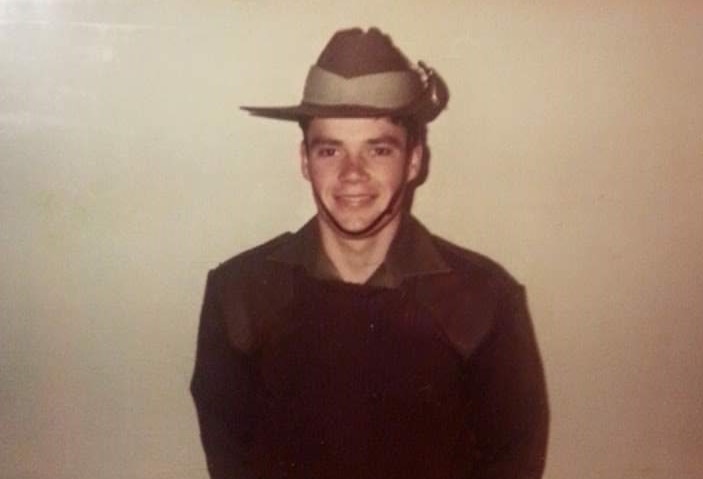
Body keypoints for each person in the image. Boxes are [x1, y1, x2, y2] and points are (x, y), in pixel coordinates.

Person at [190, 27, 549, 479]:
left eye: (378, 149)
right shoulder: (239, 297)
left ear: (414, 160)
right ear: (304, 160)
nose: (352, 174)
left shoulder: (486, 302)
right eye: (330, 150)